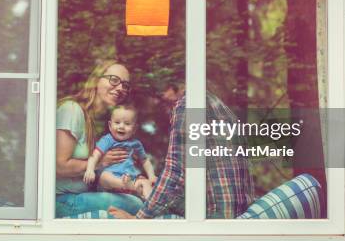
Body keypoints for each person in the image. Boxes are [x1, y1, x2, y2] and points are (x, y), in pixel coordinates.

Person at [108, 86, 256, 219]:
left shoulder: (187, 105)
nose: (162, 102)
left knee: (139, 200)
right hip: (235, 214)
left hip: (213, 217)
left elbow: (175, 172)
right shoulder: (221, 107)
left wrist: (138, 219)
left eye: (161, 95)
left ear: (172, 88)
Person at [55, 59, 144, 217]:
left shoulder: (104, 122)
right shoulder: (72, 110)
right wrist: (100, 162)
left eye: (125, 85)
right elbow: (59, 166)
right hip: (61, 200)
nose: (120, 88)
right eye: (114, 80)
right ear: (96, 79)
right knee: (135, 204)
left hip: (82, 195)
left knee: (138, 197)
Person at [84, 104, 157, 200]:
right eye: (117, 122)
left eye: (127, 124)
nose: (121, 126)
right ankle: (124, 184)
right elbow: (94, 156)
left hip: (131, 178)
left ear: (134, 129)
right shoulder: (107, 140)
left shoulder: (135, 143)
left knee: (145, 182)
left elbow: (145, 160)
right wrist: (90, 169)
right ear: (110, 126)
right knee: (104, 177)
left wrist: (151, 176)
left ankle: (151, 203)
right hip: (111, 180)